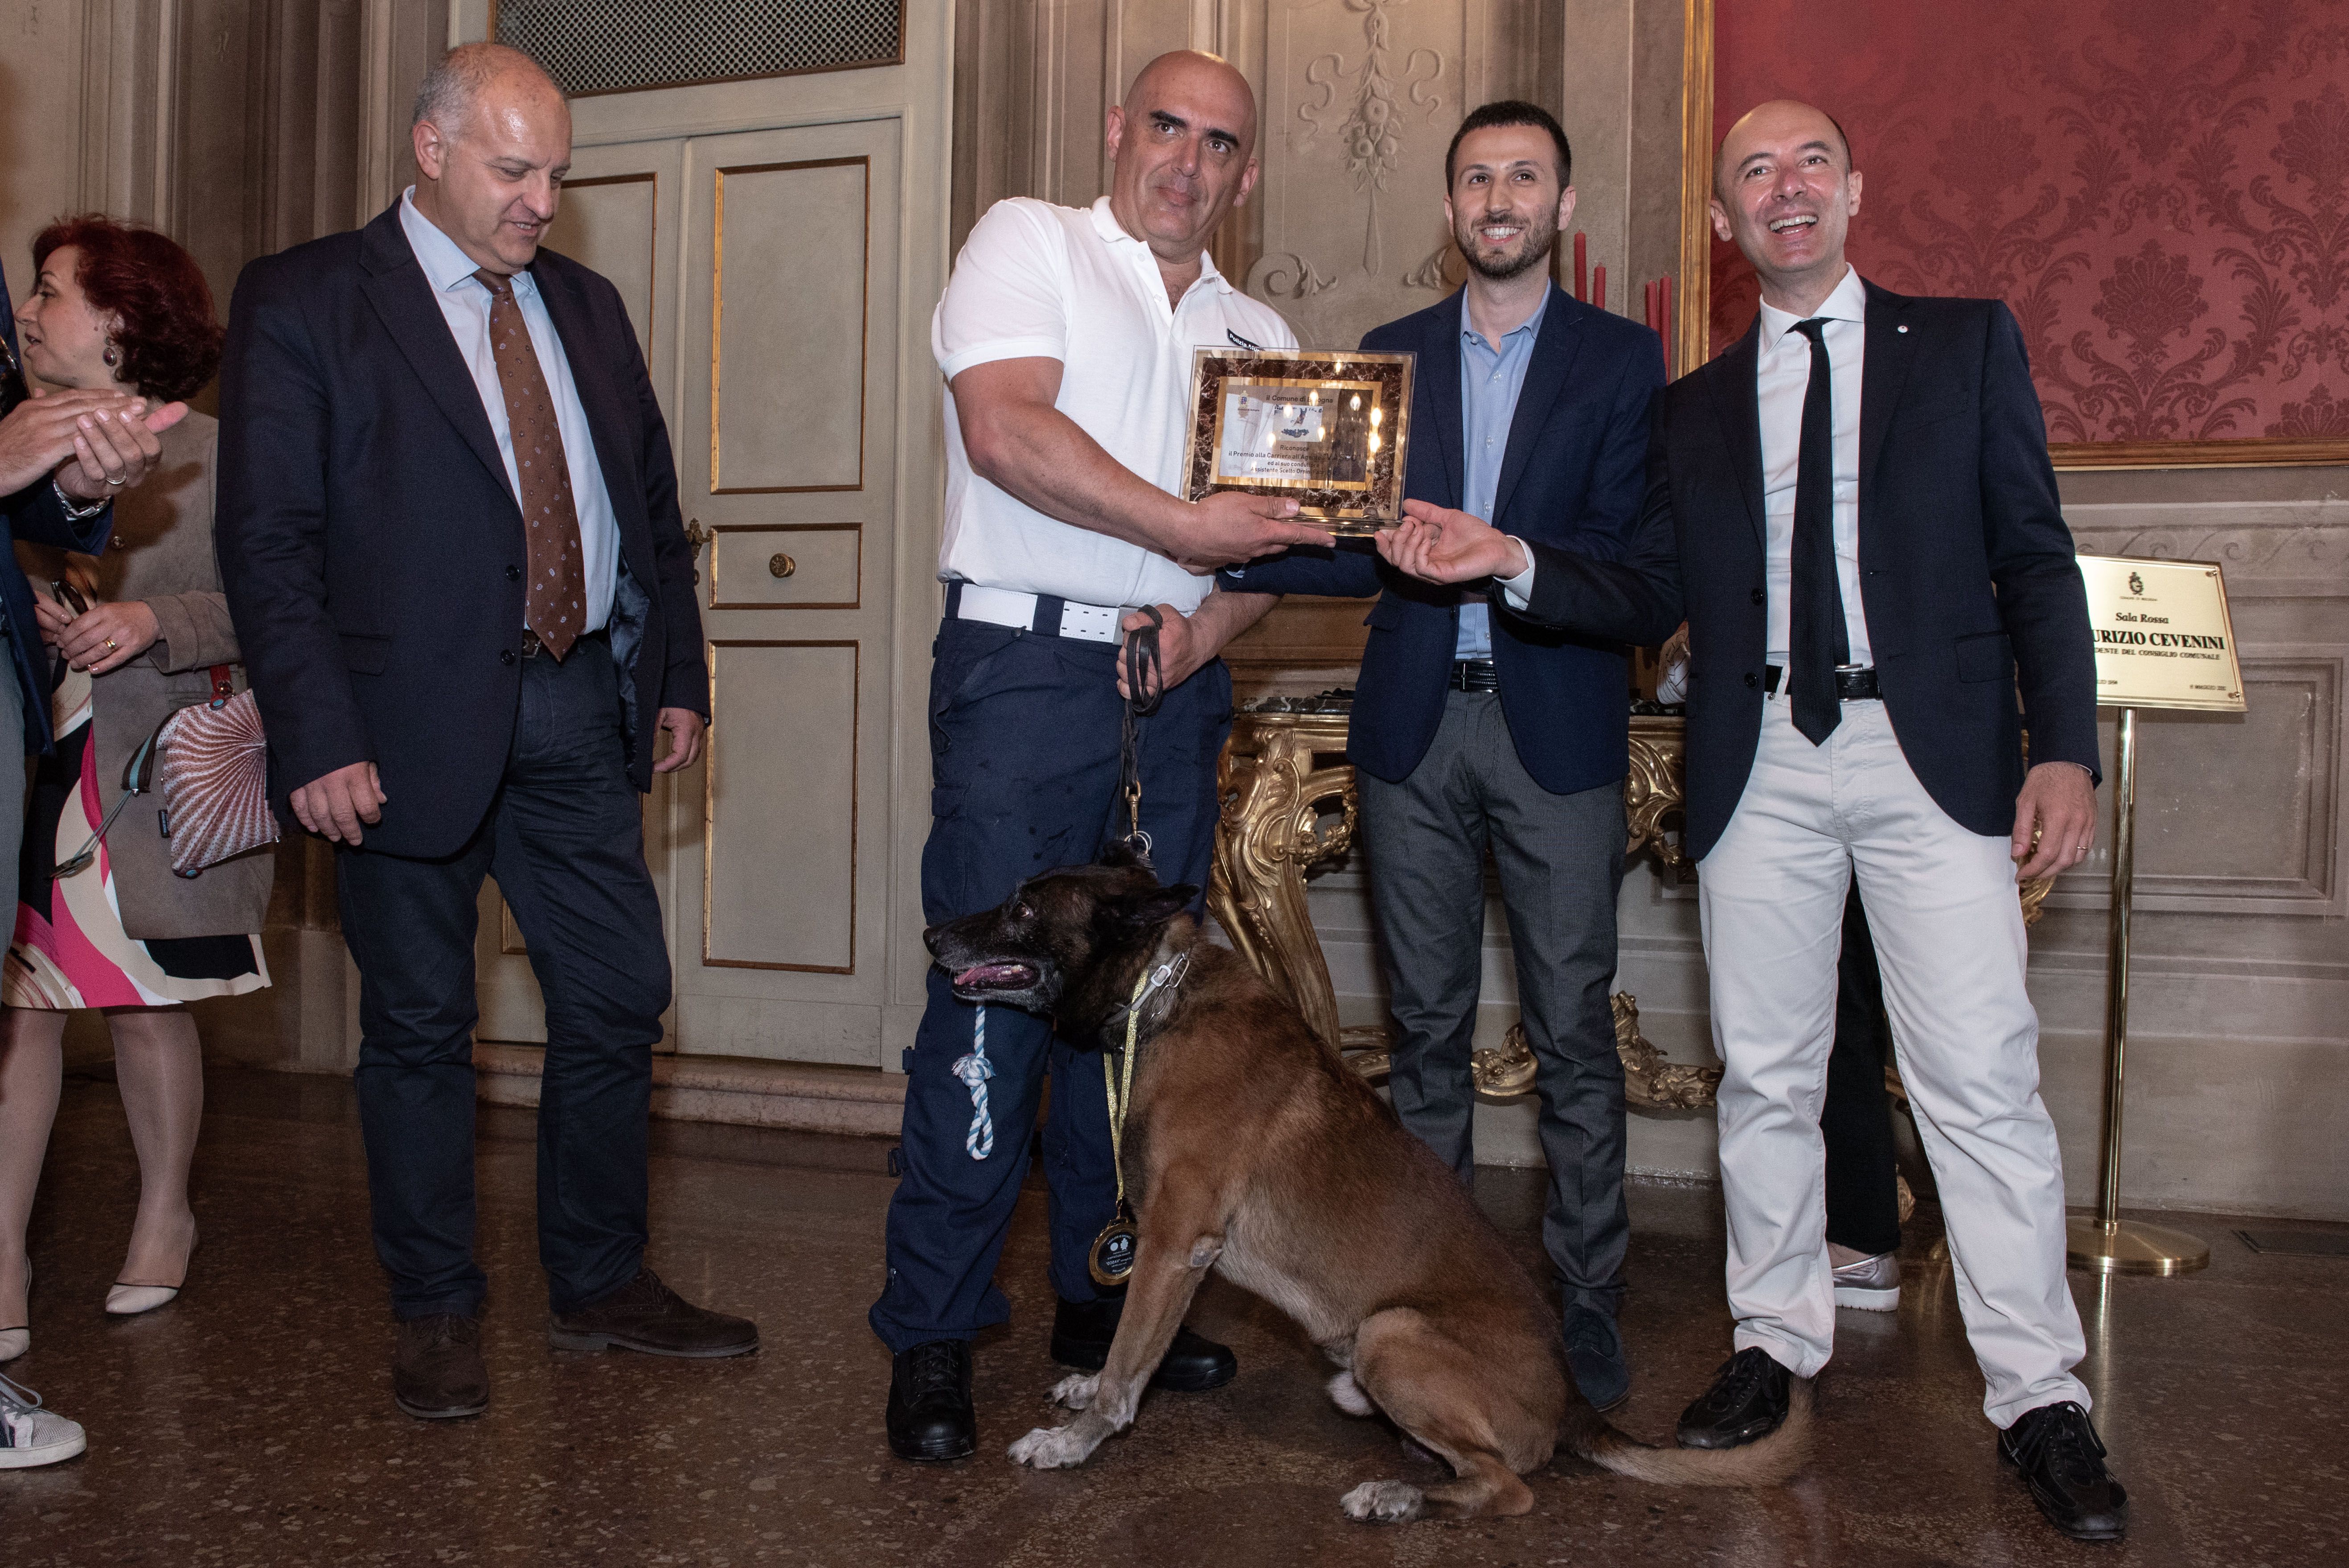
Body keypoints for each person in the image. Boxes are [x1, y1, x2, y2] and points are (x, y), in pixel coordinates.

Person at [1375, 100, 2126, 1542]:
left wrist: (2066, 753)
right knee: (1767, 1076)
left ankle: (2040, 1395)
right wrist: (1511, 555)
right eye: (1754, 175)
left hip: (1936, 756)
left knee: (1980, 1079)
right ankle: (1775, 1348)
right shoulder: (1693, 407)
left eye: (1811, 165)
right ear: (1723, 225)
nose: (1787, 190)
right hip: (1760, 755)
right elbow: (1646, 593)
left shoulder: (1965, 345)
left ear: (1856, 188)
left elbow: (2036, 559)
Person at [215, 43, 754, 1423]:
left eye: (557, 174)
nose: (541, 202)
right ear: (431, 148)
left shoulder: (586, 303)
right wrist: (314, 735)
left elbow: (649, 510)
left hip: (575, 702)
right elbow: (267, 545)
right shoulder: (308, 301)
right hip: (391, 730)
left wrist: (675, 677)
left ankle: (598, 1283)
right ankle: (438, 1307)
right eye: (516, 170)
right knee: (417, 1026)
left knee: (619, 994)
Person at [874, 49, 1330, 1462]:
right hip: (1023, 672)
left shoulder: (1263, 332)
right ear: (1118, 130)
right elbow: (1006, 428)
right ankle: (937, 1331)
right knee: (994, 994)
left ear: (1247, 176)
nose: (1188, 163)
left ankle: (1098, 1299)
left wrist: (1205, 627)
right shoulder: (1034, 240)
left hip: (1173, 686)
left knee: (1143, 1024)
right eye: (1168, 129)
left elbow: (1284, 549)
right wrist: (1183, 532)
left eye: (1221, 145)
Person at [1218, 101, 1663, 1411]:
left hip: (1557, 725)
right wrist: (1265, 520)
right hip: (1414, 721)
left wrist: (1510, 557)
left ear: (1562, 209)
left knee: (1575, 1030)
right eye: (1477, 178)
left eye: (1524, 176)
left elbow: (1641, 582)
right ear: (1452, 208)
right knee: (1423, 1034)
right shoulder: (1389, 357)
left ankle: (1585, 1303)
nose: (1499, 196)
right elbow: (1354, 540)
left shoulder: (1626, 364)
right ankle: (1418, 1299)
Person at [0, 217, 262, 1371]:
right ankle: (1, 1253)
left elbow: (279, 609)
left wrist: (149, 622)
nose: (25, 306)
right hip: (31, 769)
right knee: (27, 1013)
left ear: (116, 322)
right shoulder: (10, 442)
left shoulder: (217, 450)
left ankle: (166, 1214)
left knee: (145, 1001)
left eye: (50, 289)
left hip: (150, 779)